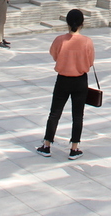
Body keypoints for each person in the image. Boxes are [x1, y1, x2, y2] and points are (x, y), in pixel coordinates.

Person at [36, 9, 95, 160]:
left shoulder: (59, 40)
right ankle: (74, 148)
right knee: (78, 115)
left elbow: (54, 55)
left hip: (63, 79)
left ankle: (47, 145)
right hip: (80, 80)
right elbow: (90, 63)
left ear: (67, 23)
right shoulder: (87, 41)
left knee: (55, 113)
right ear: (82, 23)